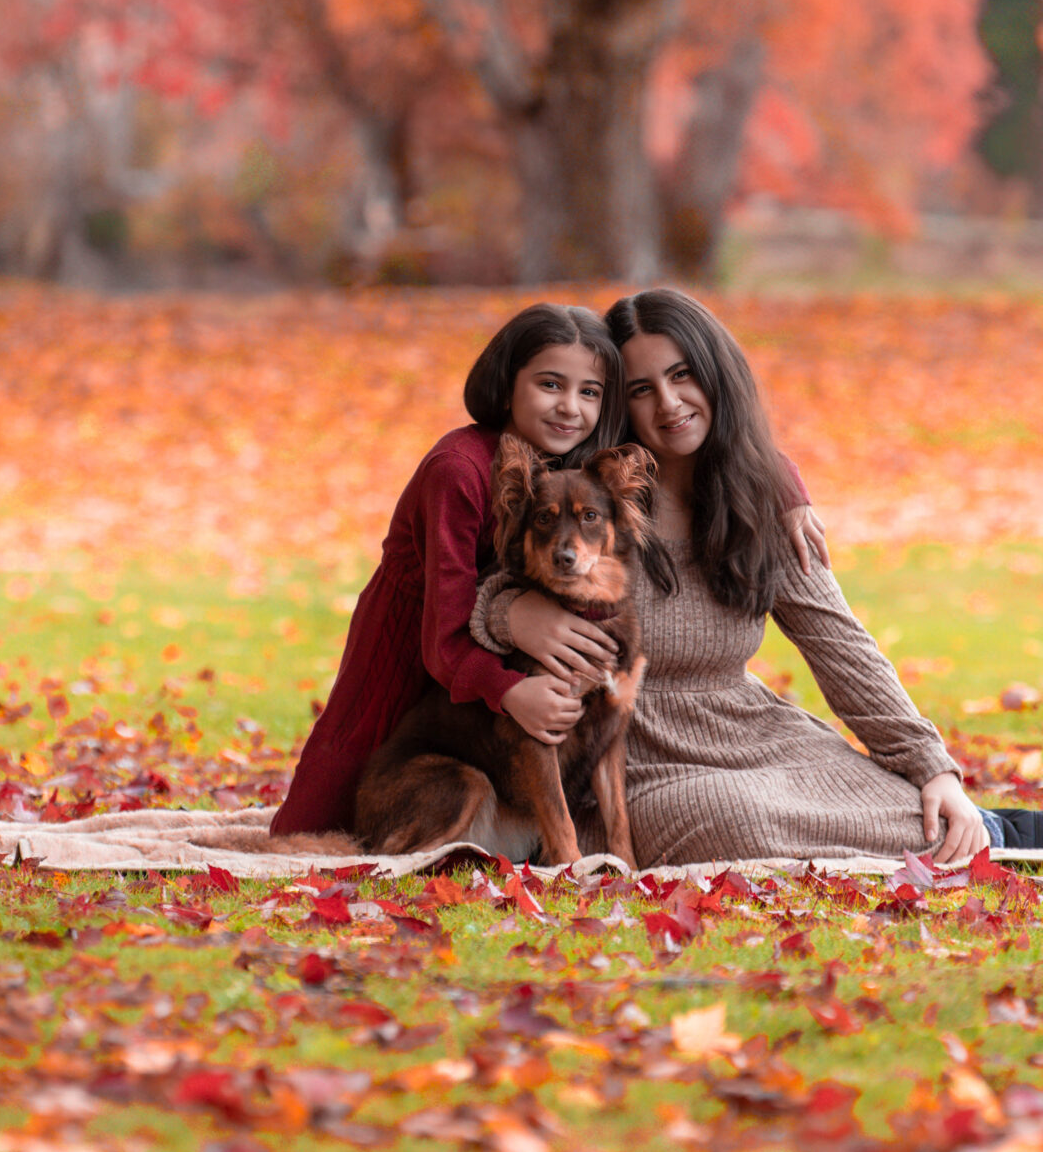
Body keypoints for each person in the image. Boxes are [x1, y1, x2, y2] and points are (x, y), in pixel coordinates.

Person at [477, 287, 1043, 867]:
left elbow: (839, 644)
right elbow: (495, 582)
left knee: (868, 789)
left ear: (717, 377)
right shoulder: (592, 498)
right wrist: (511, 615)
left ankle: (987, 833)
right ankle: (959, 842)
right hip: (633, 763)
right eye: (642, 389)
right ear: (621, 402)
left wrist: (934, 770)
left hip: (756, 734)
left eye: (683, 375)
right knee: (734, 821)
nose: (669, 404)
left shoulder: (757, 505)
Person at [270, 300, 823, 836]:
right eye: (550, 385)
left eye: (591, 393)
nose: (569, 408)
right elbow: (443, 635)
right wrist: (510, 684)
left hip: (483, 687)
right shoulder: (458, 470)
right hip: (419, 656)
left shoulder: (571, 458)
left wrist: (785, 485)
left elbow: (714, 443)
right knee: (334, 811)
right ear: (508, 380)